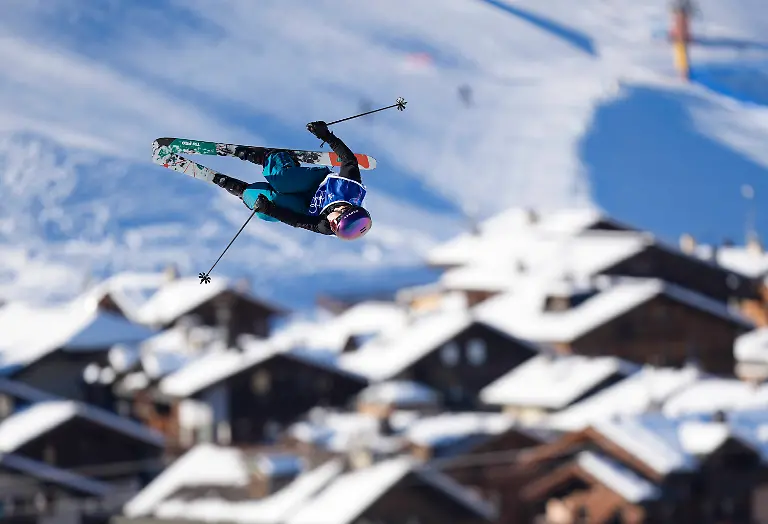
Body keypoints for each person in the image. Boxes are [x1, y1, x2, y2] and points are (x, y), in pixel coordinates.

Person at [231, 121, 372, 240]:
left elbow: (297, 220)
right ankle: (271, 157)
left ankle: (242, 190)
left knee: (267, 212)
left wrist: (268, 209)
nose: (332, 226)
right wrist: (327, 136)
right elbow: (349, 160)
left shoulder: (326, 227)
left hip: (305, 205)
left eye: (334, 229)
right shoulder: (349, 189)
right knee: (282, 181)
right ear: (344, 210)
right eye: (335, 224)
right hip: (316, 182)